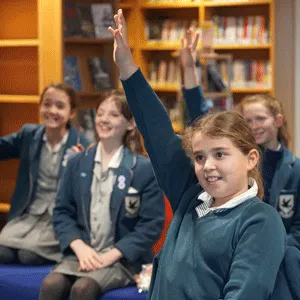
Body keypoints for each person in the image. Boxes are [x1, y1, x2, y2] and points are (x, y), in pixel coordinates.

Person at [108, 9, 286, 299]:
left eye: (220, 154)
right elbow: (157, 134)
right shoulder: (191, 196)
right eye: (200, 157)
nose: (208, 166)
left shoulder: (260, 221)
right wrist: (127, 67)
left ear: (251, 158)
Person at [39, 90, 164, 300]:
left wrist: (110, 256)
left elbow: (150, 225)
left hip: (120, 259)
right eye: (101, 113)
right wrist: (79, 247)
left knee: (82, 289)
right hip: (82, 254)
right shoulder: (77, 162)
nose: (104, 119)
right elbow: (62, 212)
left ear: (131, 124)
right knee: (51, 285)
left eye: (114, 115)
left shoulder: (143, 169)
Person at [0, 83, 91, 265]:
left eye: (60, 106)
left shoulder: (83, 144)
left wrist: (79, 165)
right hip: (28, 215)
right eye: (47, 104)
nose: (52, 111)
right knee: (3, 252)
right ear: (40, 106)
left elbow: (86, 193)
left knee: (28, 256)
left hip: (59, 219)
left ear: (72, 113)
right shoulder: (29, 135)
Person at [239, 94, 300, 250]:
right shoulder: (241, 164)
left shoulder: (296, 169)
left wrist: (274, 248)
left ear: (278, 121)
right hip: (245, 250)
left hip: (283, 256)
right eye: (248, 121)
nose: (254, 126)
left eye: (260, 119)